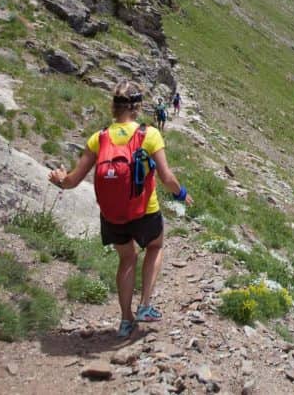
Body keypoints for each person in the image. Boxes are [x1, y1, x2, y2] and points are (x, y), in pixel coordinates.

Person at [48, 81, 193, 338]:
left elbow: (72, 180)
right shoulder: (149, 135)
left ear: (113, 106)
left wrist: (59, 178)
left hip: (112, 215)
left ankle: (125, 320)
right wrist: (181, 194)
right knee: (155, 246)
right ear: (137, 107)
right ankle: (145, 305)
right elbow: (167, 177)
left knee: (127, 258)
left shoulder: (99, 138)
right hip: (144, 210)